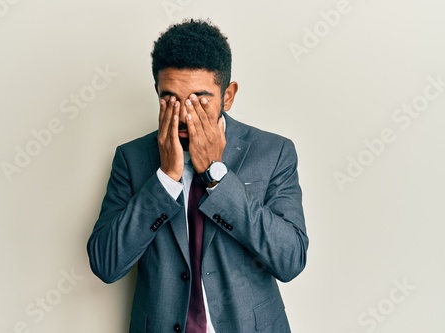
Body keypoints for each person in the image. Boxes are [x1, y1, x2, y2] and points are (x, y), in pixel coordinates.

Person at [87, 18, 309, 333]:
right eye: (169, 98)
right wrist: (164, 178)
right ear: (157, 91)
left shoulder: (273, 153)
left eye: (200, 100)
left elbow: (290, 260)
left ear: (228, 95)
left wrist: (217, 175)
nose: (183, 114)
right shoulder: (132, 158)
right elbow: (106, 264)